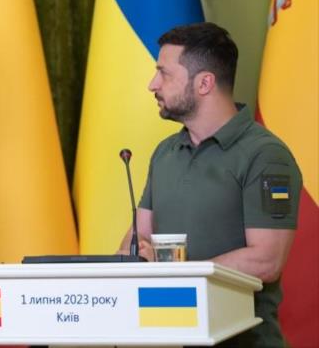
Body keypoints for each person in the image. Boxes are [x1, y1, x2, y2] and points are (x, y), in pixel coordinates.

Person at [119, 22, 302, 347]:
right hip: (165, 336)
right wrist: (132, 257)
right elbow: (136, 241)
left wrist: (175, 273)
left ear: (204, 83)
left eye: (164, 73)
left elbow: (266, 261)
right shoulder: (165, 153)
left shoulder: (264, 155)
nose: (152, 84)